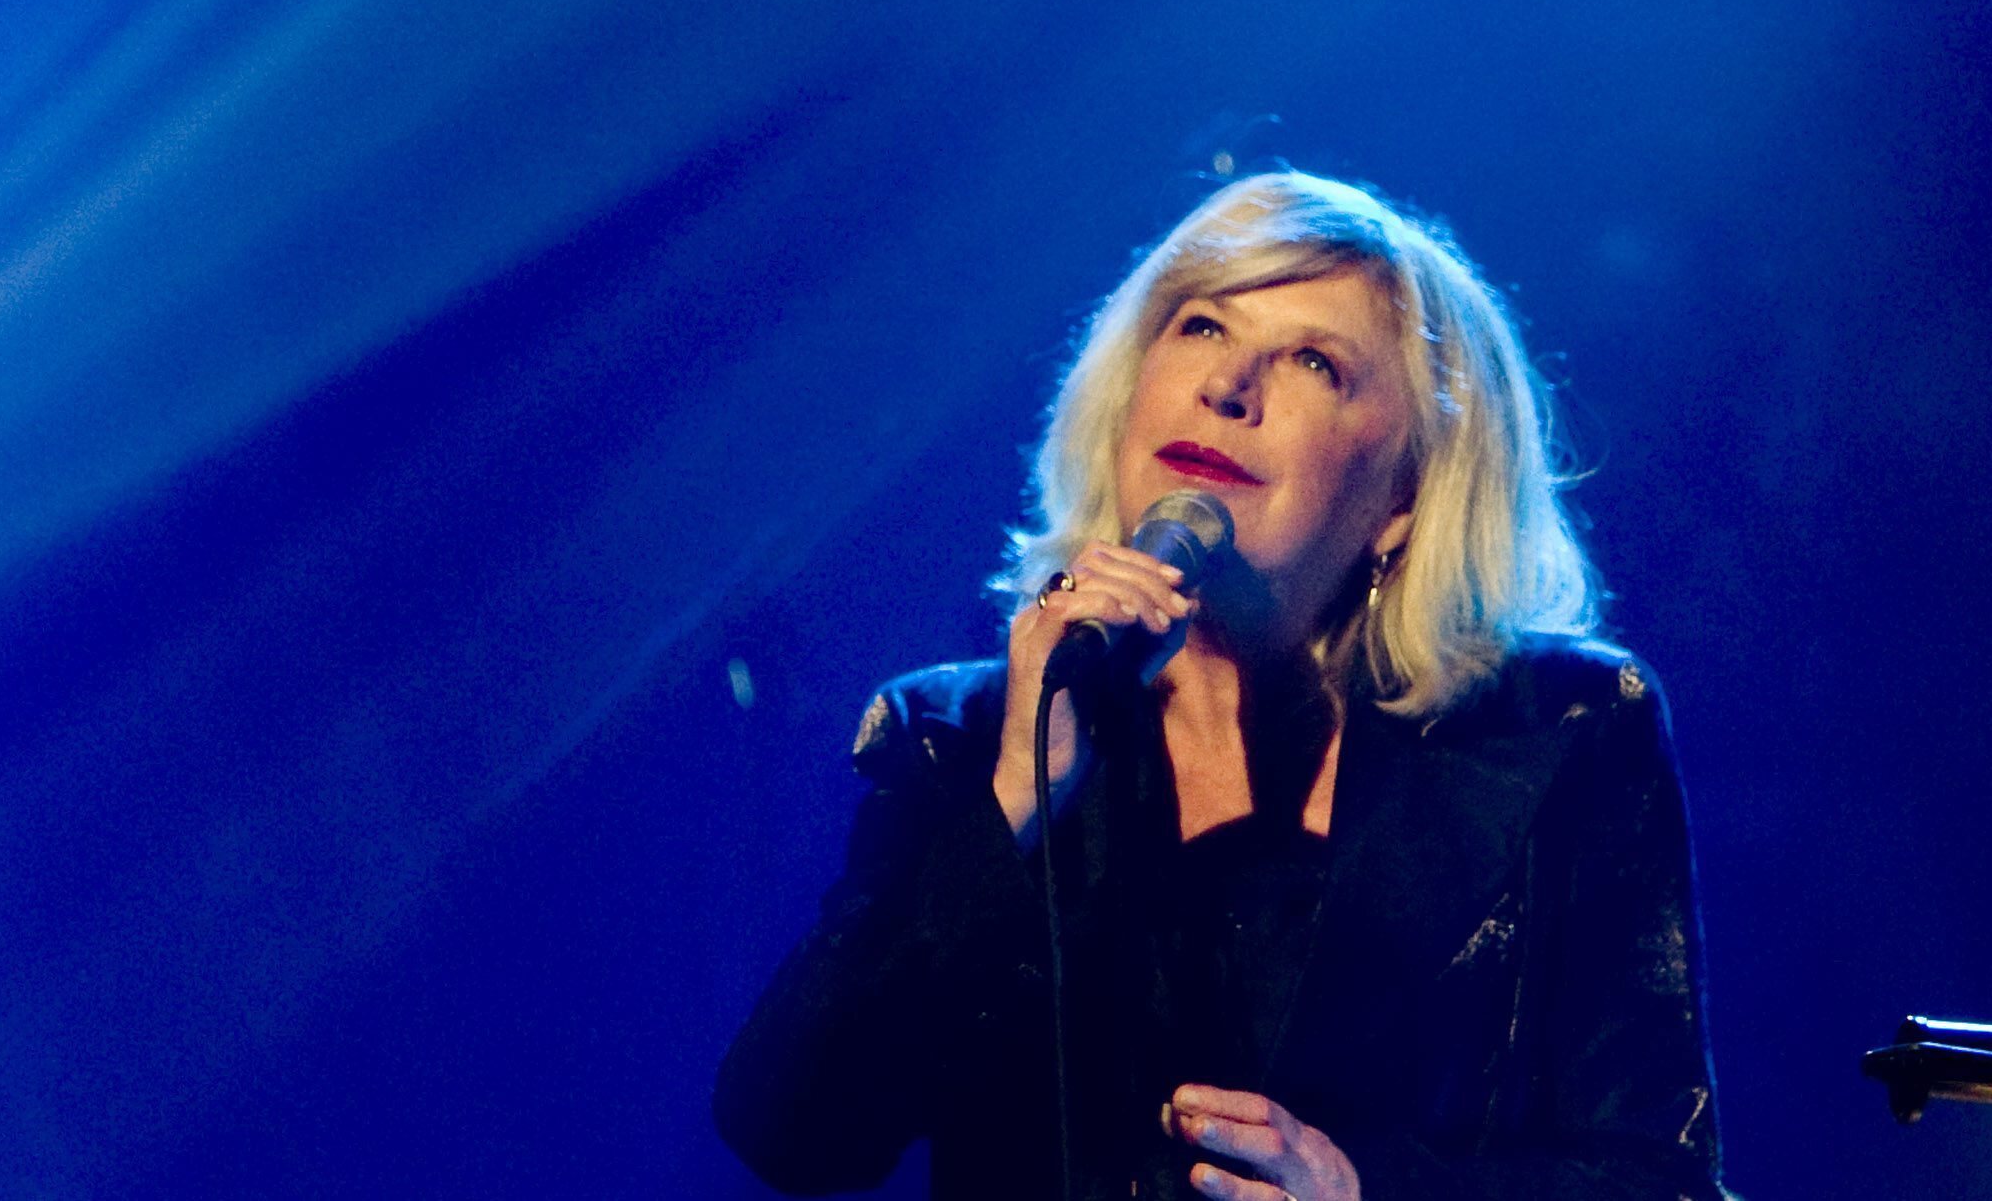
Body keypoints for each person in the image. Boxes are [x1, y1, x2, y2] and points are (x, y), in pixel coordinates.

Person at [715, 172, 1722, 1201]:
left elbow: (1663, 1179)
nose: (1225, 385)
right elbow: (792, 1131)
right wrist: (1013, 796)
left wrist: (1369, 1195)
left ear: (1404, 495)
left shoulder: (1558, 733)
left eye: (1315, 362)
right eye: (1199, 326)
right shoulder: (958, 733)